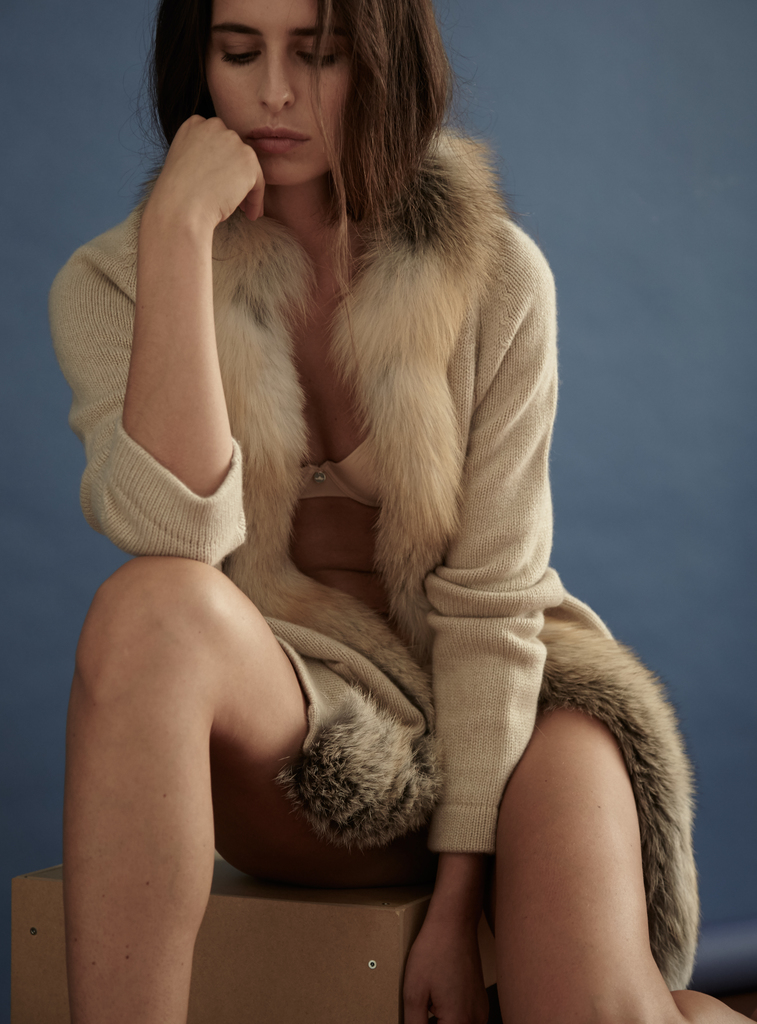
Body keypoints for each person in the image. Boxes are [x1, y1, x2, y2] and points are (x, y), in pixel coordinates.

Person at [48, 0, 754, 1021]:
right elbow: (178, 537)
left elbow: (493, 602)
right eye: (239, 51)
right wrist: (176, 234)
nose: (274, 92)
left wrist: (454, 909)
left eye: (319, 54)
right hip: (305, 735)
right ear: (196, 63)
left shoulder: (497, 273)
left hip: (509, 709)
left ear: (382, 63)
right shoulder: (115, 283)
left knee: (601, 1002)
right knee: (148, 603)